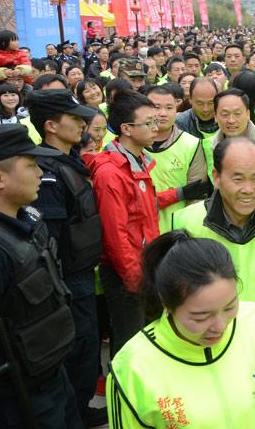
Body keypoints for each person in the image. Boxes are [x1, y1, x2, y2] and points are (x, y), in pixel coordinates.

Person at [0, 124, 82, 428]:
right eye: (30, 165)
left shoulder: (25, 218)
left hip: (52, 377)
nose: (40, 172)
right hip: (15, 400)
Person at [107, 233, 255, 428]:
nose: (220, 326)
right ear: (167, 304)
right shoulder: (132, 368)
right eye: (201, 317)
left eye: (230, 307)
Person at [25, 90, 106, 427]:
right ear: (51, 126)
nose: (82, 124)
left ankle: (81, 407)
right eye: (74, 120)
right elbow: (50, 238)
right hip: (68, 281)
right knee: (77, 352)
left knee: (86, 351)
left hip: (82, 274)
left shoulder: (66, 160)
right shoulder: (47, 171)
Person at [172, 137, 255, 332]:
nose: (248, 190)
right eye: (237, 179)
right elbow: (177, 300)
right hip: (212, 349)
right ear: (216, 177)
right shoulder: (186, 223)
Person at [85, 90, 160, 354]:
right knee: (130, 341)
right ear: (126, 129)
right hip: (126, 272)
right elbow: (115, 234)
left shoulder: (137, 160)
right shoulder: (110, 172)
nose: (156, 127)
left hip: (144, 263)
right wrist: (135, 279)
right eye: (149, 122)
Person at [145, 85, 210, 233]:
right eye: (156, 107)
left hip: (177, 231)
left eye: (169, 108)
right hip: (140, 233)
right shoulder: (133, 144)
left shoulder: (191, 144)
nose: (163, 113)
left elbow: (196, 196)